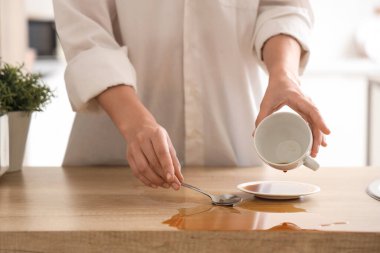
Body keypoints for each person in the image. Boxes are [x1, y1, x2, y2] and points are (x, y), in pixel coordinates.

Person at [53, 0, 330, 191]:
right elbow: (86, 30)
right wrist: (135, 123)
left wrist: (284, 75)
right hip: (114, 166)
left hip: (234, 160)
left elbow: (282, 8)